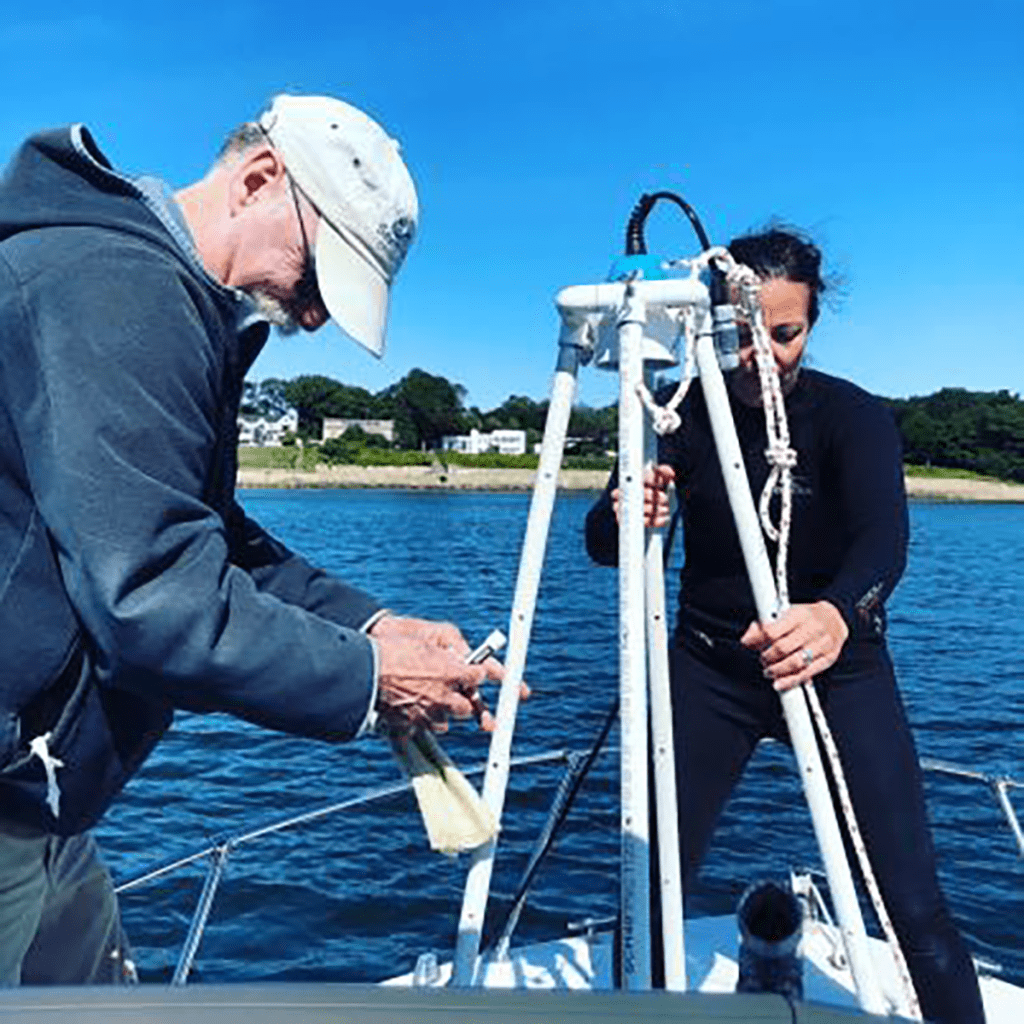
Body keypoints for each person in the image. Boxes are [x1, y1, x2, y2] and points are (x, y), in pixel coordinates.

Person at [0, 94, 509, 985]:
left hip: (39, 808)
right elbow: (154, 595)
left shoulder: (156, 295)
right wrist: (372, 683)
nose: (314, 318)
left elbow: (209, 537)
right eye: (320, 277)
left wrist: (373, 626)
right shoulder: (123, 292)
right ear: (259, 180)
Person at [585, 228, 985, 1023]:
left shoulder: (854, 418)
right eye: (738, 334)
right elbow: (603, 542)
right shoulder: (683, 411)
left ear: (812, 324)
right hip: (711, 669)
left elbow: (884, 541)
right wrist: (628, 509)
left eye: (784, 333)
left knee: (912, 903)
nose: (759, 354)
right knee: (650, 886)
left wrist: (837, 615)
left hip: (839, 669)